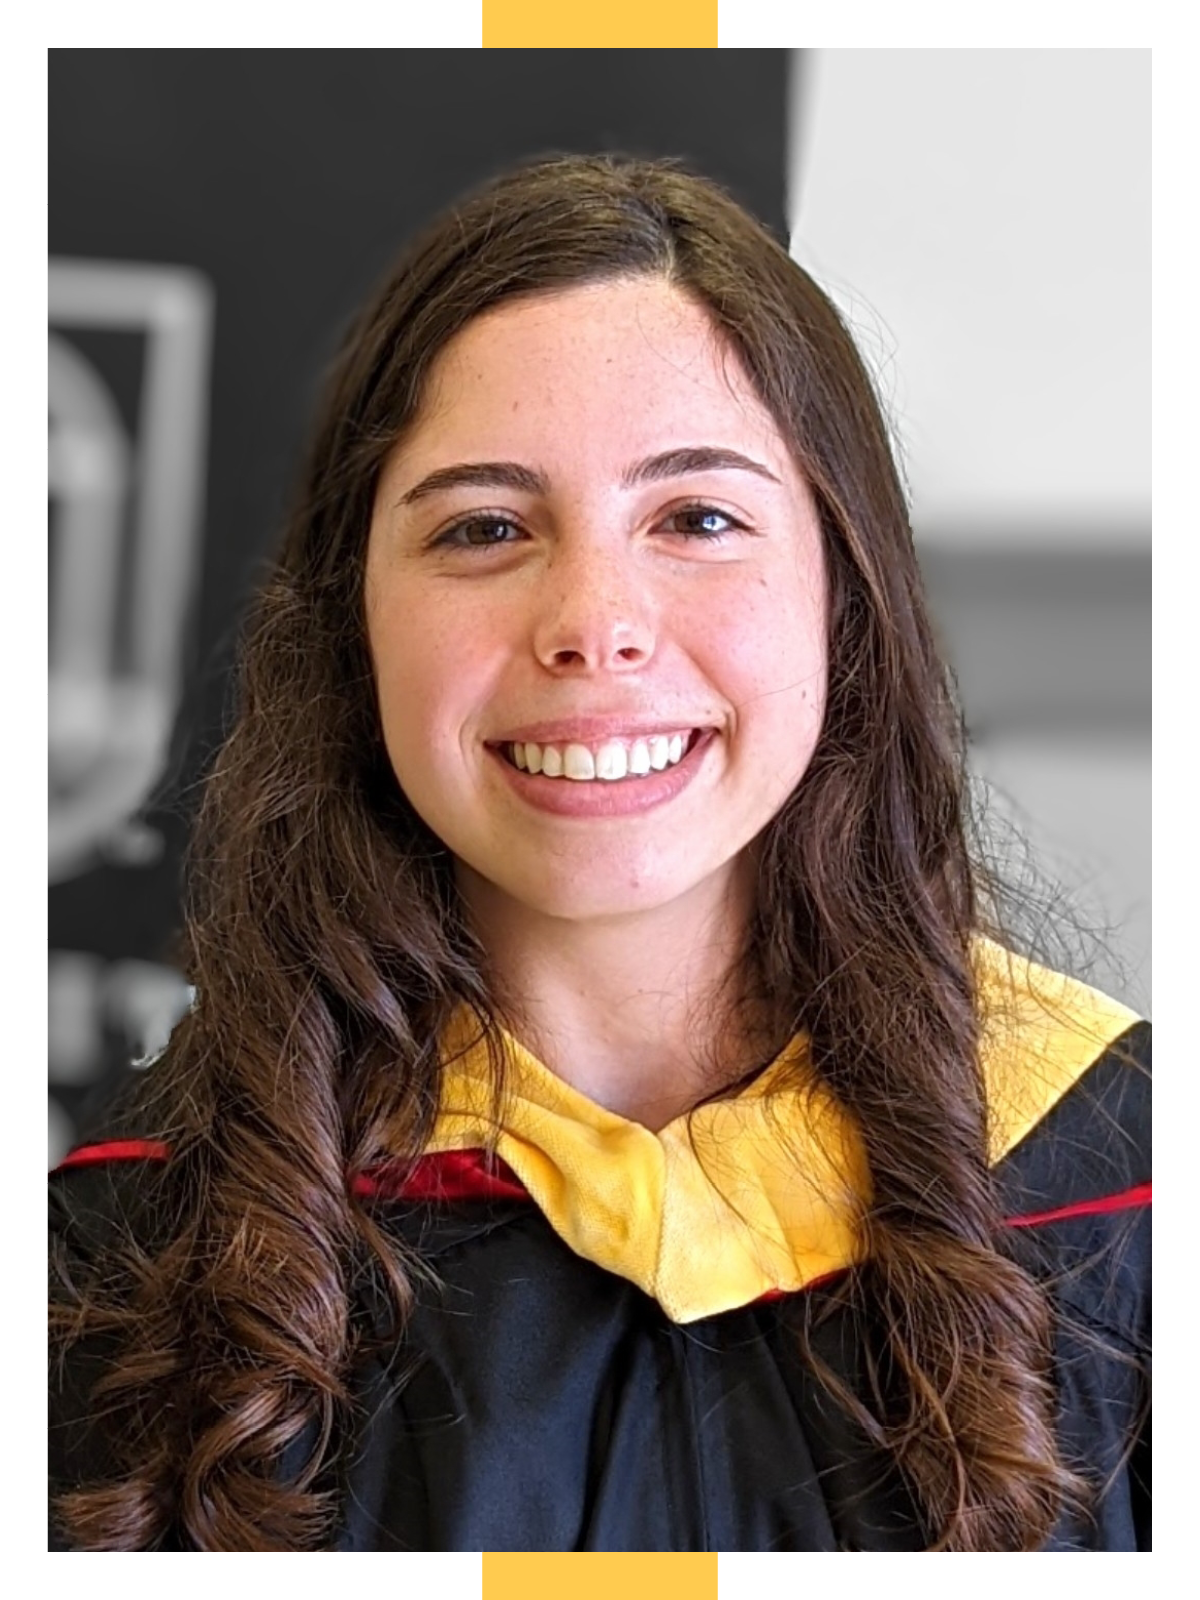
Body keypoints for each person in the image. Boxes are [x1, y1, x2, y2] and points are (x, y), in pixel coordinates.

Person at [47, 154, 1150, 1553]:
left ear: (843, 591)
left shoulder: (1125, 1200)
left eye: (697, 519)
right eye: (486, 527)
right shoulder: (129, 1270)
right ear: (356, 624)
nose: (596, 623)